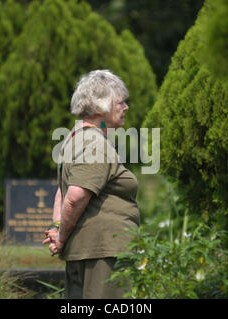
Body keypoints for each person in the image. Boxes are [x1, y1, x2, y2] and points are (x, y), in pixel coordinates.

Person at [42, 70, 140, 299]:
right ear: (101, 107)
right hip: (103, 254)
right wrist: (62, 237)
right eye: (120, 102)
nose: (125, 108)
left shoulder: (74, 138)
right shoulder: (95, 143)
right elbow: (75, 196)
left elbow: (62, 191)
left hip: (87, 252)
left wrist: (58, 228)